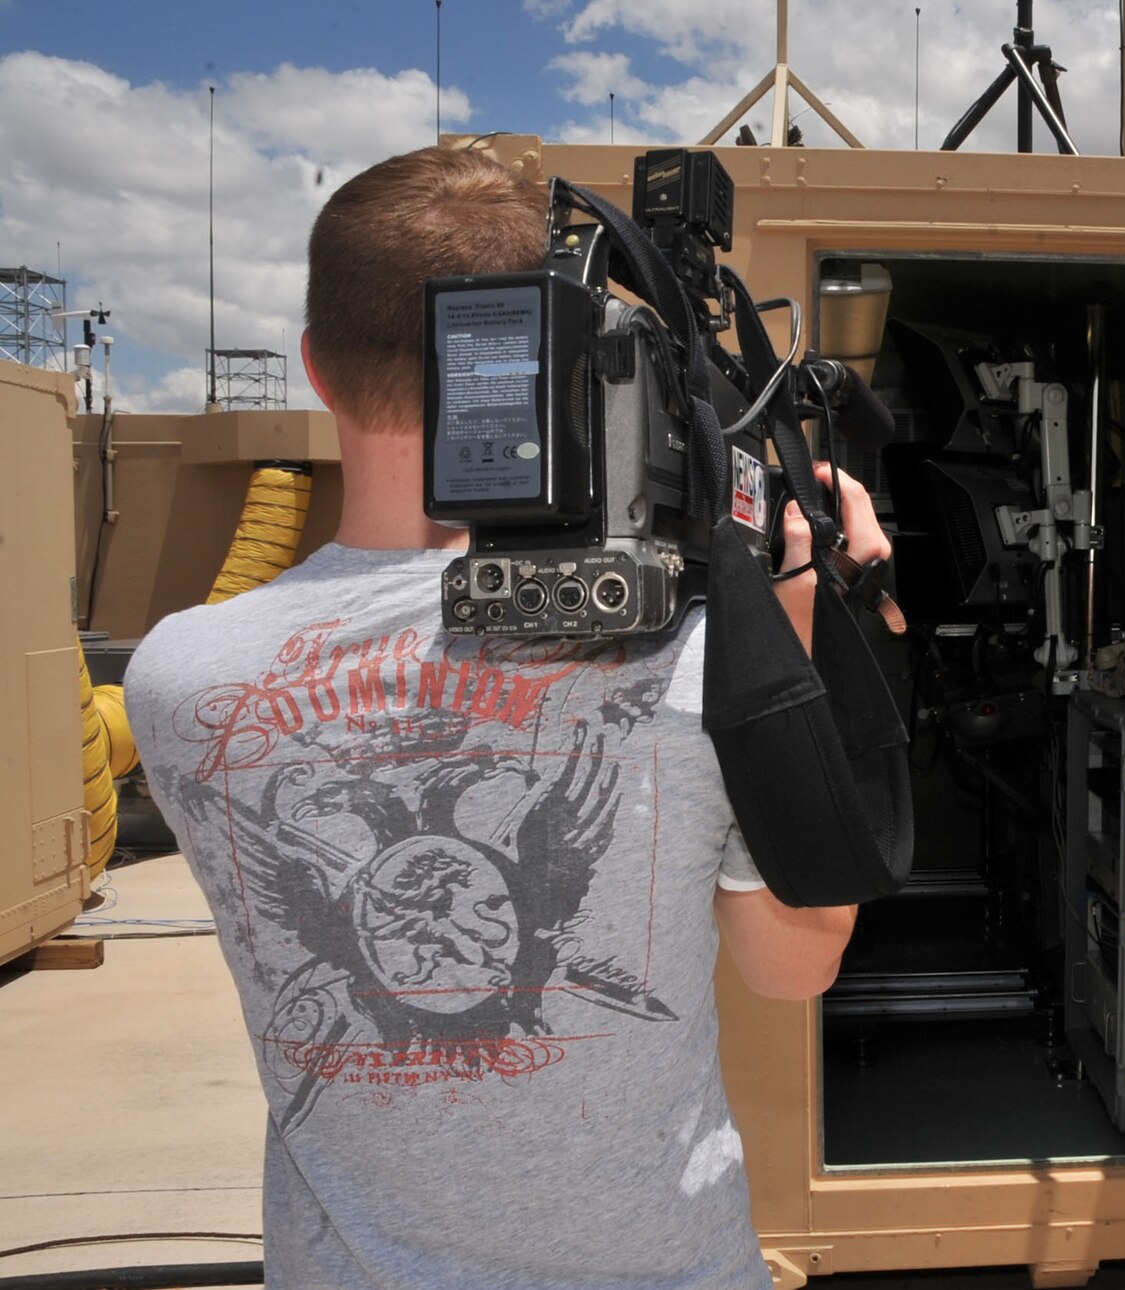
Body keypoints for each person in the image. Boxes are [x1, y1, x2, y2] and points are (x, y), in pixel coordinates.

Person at [123, 146, 882, 1288]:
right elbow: (792, 965)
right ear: (566, 358)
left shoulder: (179, 679)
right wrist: (804, 618)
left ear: (317, 370)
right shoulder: (699, 647)